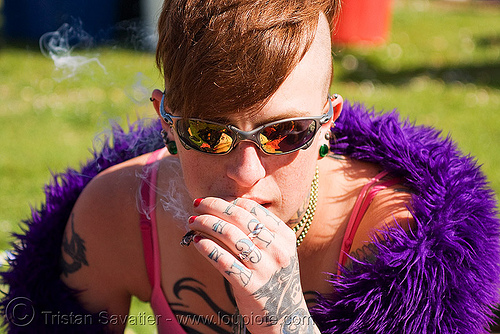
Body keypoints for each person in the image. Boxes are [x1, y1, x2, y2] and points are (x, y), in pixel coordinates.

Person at [2, 0, 499, 333]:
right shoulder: (117, 213)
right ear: (168, 124)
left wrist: (283, 320)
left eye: (284, 133)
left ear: (328, 124)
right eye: (209, 133)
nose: (245, 173)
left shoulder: (400, 241)